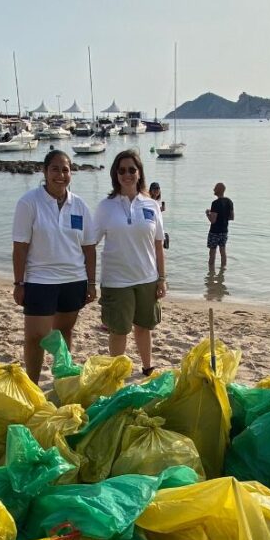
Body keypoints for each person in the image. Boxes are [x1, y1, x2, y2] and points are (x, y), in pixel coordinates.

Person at [11, 149, 97, 384]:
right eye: (55, 169)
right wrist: (19, 283)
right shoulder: (29, 202)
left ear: (71, 173)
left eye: (65, 169)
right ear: (45, 172)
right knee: (35, 337)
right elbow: (20, 247)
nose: (60, 174)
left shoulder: (79, 205)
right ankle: (32, 384)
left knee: (64, 333)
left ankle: (63, 380)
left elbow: (89, 248)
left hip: (73, 280)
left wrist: (91, 282)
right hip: (40, 280)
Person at [94, 150, 167, 376]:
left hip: (147, 278)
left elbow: (158, 245)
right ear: (115, 174)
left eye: (132, 170)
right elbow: (89, 242)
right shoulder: (106, 207)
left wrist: (162, 278)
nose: (127, 174)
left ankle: (147, 367)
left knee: (144, 327)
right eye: (122, 170)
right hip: (116, 281)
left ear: (139, 173)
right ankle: (116, 373)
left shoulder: (152, 205)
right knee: (118, 330)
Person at [205, 182, 233, 271]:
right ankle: (223, 271)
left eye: (215, 188)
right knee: (223, 252)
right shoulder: (229, 201)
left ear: (219, 190)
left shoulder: (215, 203)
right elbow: (231, 217)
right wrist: (222, 216)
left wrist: (208, 214)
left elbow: (213, 220)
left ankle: (211, 273)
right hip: (224, 231)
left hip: (214, 231)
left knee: (212, 253)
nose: (213, 189)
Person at [149, 181, 168, 249]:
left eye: (158, 188)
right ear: (150, 190)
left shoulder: (155, 202)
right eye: (154, 189)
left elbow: (153, 213)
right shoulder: (149, 201)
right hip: (152, 232)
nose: (156, 190)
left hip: (156, 231)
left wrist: (160, 210)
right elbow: (149, 214)